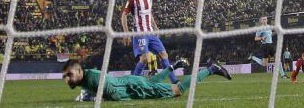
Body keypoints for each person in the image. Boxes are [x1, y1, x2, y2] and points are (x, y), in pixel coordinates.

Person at [64, 58, 231, 102]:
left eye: (69, 75)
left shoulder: (93, 78)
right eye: (65, 76)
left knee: (178, 90)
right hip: (132, 82)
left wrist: (92, 98)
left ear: (79, 71)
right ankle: (173, 66)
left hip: (135, 88)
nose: (67, 79)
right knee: (152, 82)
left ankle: (211, 69)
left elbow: (114, 95)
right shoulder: (86, 77)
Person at [120, 0, 176, 83]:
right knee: (144, 58)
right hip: (140, 33)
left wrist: (155, 27)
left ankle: (174, 81)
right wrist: (126, 33)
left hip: (150, 33)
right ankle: (133, 82)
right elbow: (124, 15)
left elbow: (149, 14)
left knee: (164, 54)